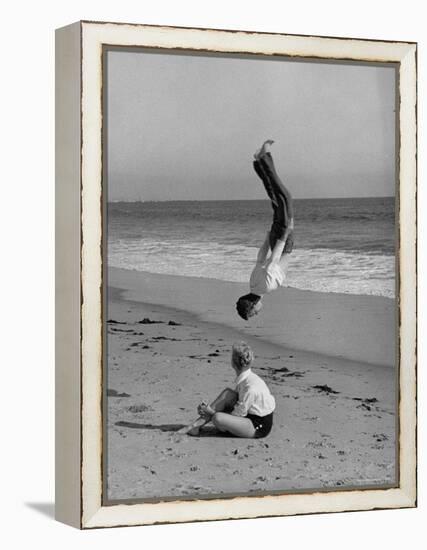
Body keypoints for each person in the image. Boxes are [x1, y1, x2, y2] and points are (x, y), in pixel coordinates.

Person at [236, 141, 294, 320]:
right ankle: (259, 163)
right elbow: (261, 258)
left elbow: (273, 261)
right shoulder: (253, 284)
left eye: (254, 312)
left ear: (252, 305)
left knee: (285, 197)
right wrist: (268, 237)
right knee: (276, 199)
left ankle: (264, 157)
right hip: (274, 240)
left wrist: (285, 234)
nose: (258, 312)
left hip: (283, 244)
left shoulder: (265, 288)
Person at [178, 342, 275, 438]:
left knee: (218, 418)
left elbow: (238, 415)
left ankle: (203, 421)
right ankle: (195, 426)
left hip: (258, 425)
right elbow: (238, 404)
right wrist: (209, 411)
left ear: (233, 363)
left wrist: (211, 412)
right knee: (227, 393)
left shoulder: (250, 388)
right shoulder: (247, 378)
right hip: (248, 413)